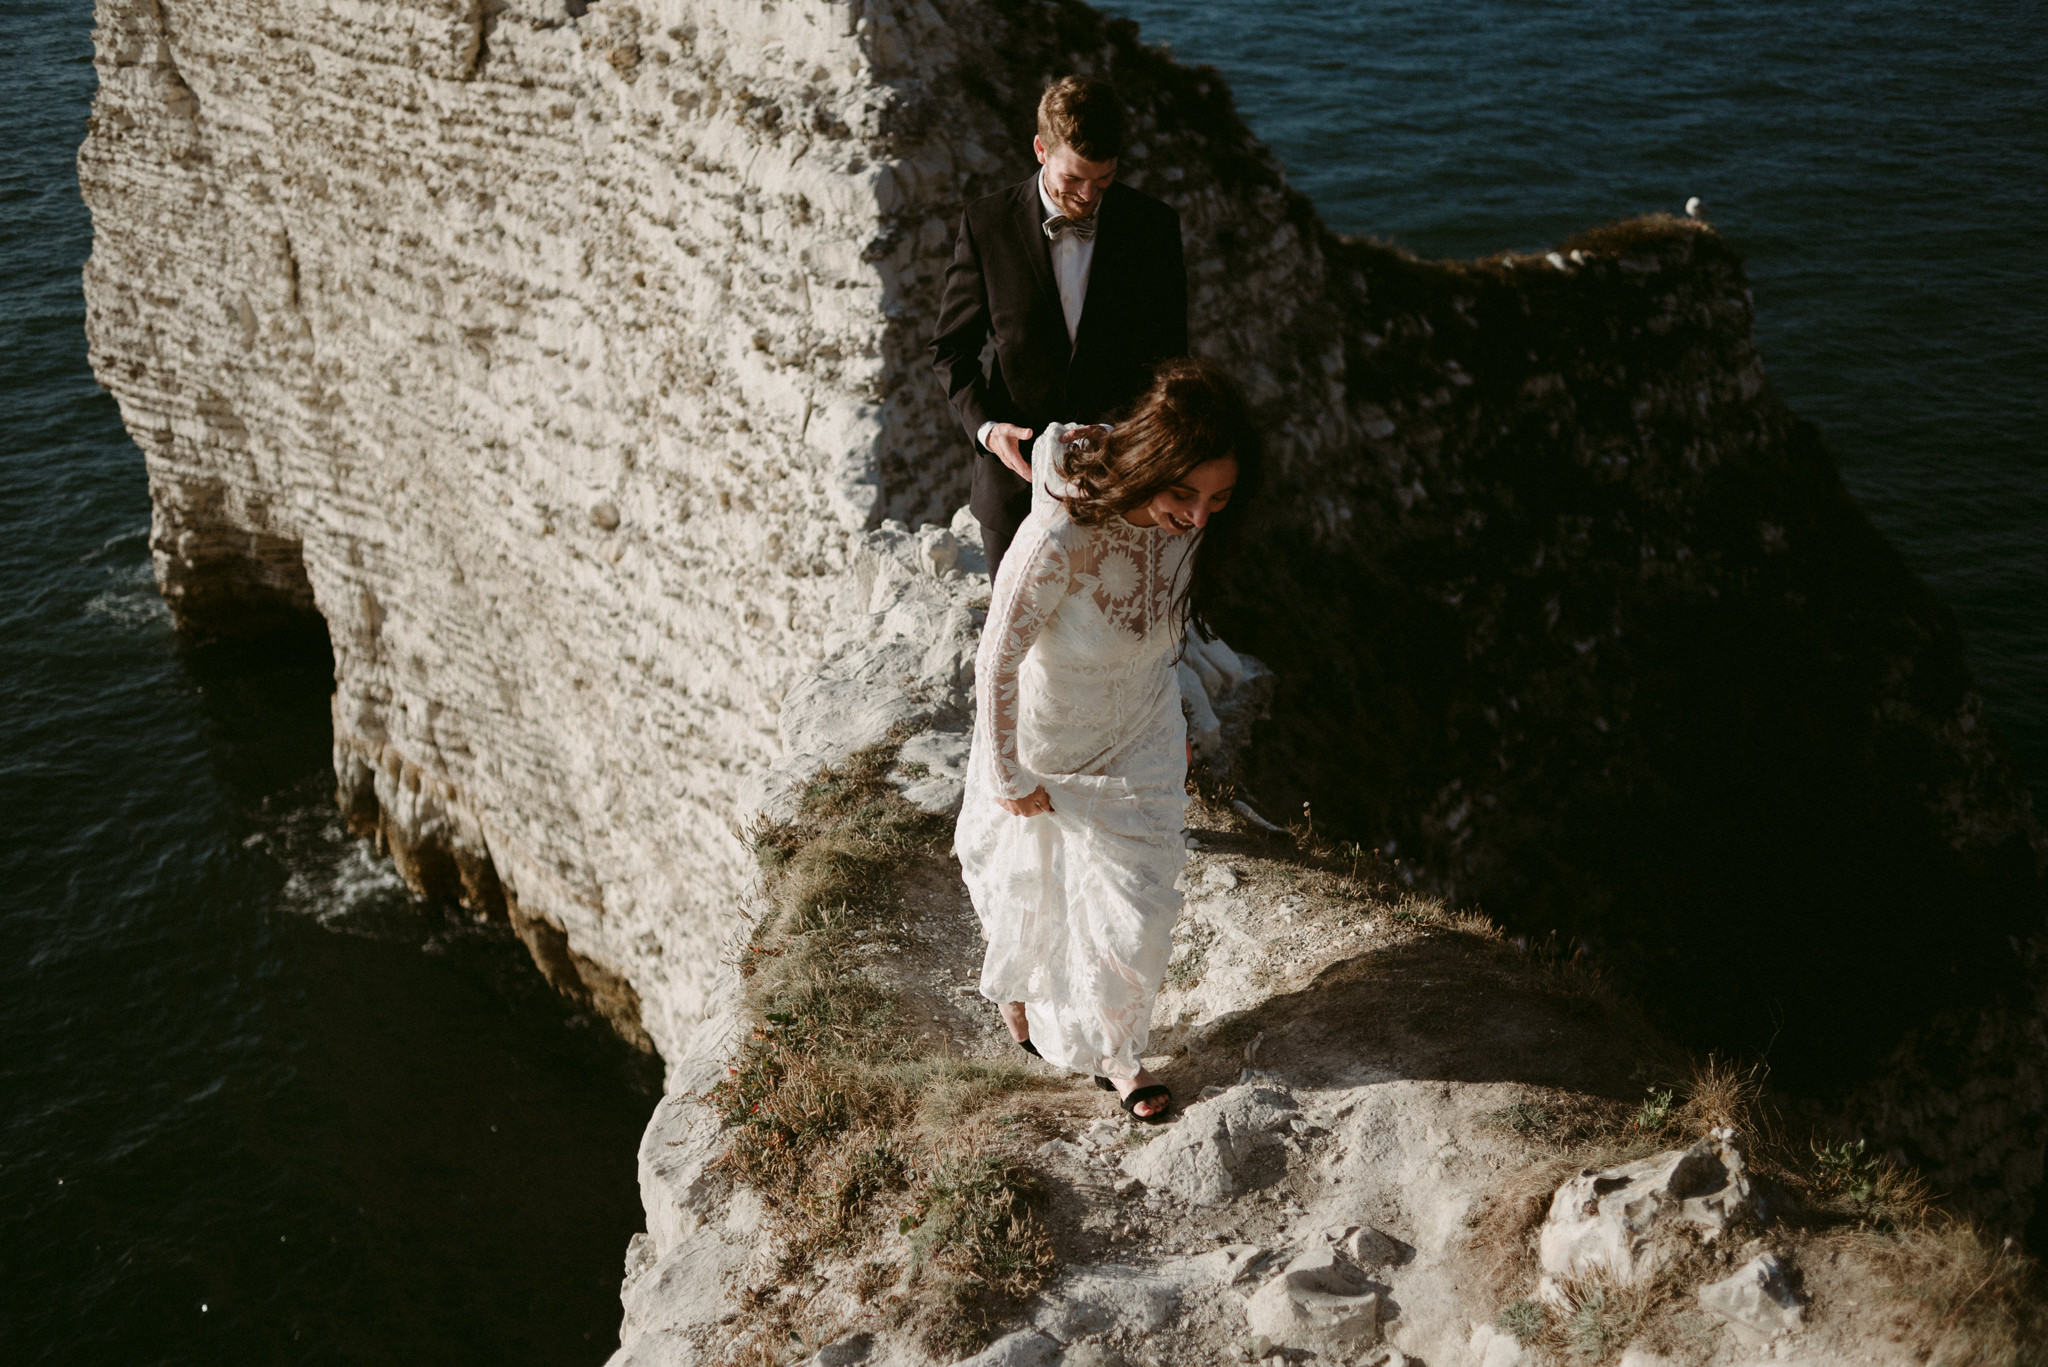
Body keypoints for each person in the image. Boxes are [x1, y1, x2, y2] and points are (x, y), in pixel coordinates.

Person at [955, 359, 1261, 1122]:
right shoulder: (1064, 530)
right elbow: (997, 655)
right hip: (1052, 739)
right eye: (1184, 494)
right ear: (1151, 466)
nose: (1197, 517)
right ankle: (1046, 1005)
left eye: (1217, 499)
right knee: (1036, 886)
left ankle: (1117, 1052)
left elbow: (1163, 627)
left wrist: (1179, 723)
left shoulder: (1193, 520)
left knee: (1138, 908)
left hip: (1144, 733)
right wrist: (1003, 768)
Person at [929, 75, 1189, 579]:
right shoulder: (987, 226)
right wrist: (987, 430)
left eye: (1105, 179)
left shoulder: (1153, 227)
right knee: (1018, 645)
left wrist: (1124, 435)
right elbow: (951, 349)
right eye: (1074, 179)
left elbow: (1171, 359)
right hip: (1015, 488)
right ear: (1040, 149)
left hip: (1120, 481)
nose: (1089, 196)